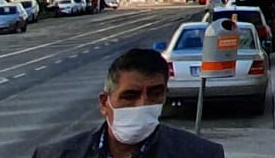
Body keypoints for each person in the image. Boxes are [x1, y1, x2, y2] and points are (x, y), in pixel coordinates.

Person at [31, 47, 224, 158]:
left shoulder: (202, 154)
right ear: (105, 103)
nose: (143, 104)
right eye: (130, 96)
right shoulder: (55, 155)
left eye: (155, 94)